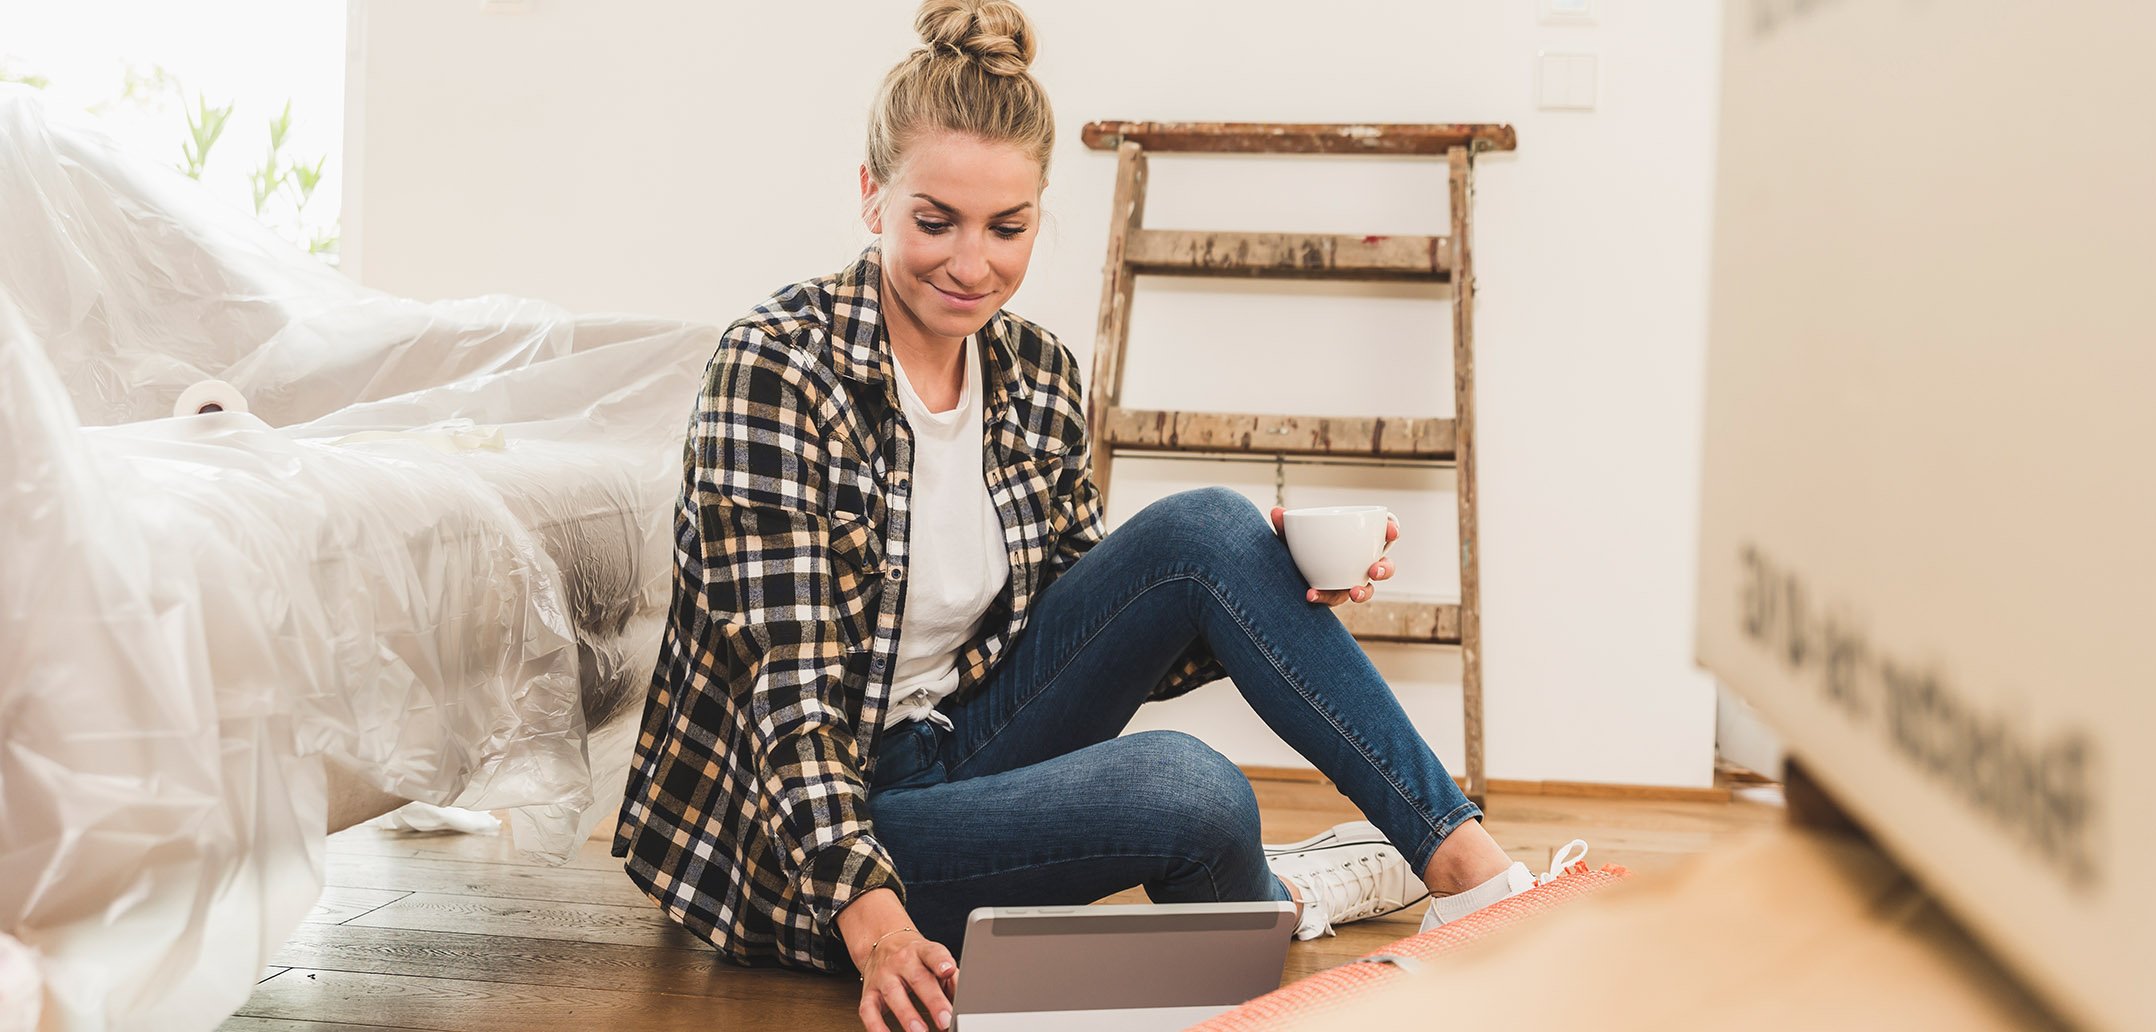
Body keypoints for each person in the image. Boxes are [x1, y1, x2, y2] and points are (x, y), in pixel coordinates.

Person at [613, 3, 1583, 1030]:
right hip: (818, 829)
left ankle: (1471, 877)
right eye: (933, 220)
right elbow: (786, 699)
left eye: (1007, 226)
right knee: (1193, 793)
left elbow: (1088, 631)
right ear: (870, 196)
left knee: (1211, 527)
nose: (970, 265)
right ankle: (1280, 901)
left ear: (1040, 211)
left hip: (966, 740)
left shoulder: (1031, 373)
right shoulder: (777, 367)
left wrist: (1270, 587)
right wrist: (879, 925)